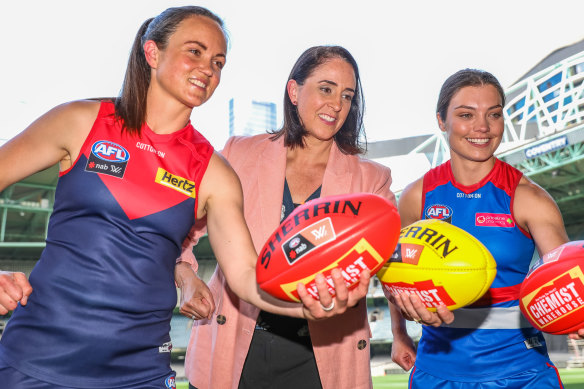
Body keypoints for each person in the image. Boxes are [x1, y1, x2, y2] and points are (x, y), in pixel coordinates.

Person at [0, 8, 367, 388]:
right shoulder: (79, 121)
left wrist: (305, 302)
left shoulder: (214, 171)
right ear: (152, 53)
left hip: (140, 371)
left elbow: (243, 275)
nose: (208, 68)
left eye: (218, 61)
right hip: (36, 359)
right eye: (195, 51)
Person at [177, 45, 396, 389]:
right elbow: (180, 219)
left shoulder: (371, 179)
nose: (337, 105)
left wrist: (414, 296)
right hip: (235, 344)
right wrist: (185, 271)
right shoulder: (239, 153)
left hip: (322, 358)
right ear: (294, 91)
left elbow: (387, 254)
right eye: (326, 88)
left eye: (347, 96)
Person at [389, 68, 573, 388]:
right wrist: (399, 334)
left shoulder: (529, 198)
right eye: (466, 114)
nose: (483, 127)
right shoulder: (416, 196)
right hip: (435, 372)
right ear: (441, 121)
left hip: (522, 374)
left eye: (494, 114)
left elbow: (566, 274)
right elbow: (396, 270)